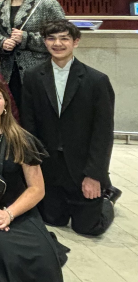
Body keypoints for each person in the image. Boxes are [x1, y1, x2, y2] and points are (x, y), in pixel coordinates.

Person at [0, 78, 66, 281]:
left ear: (5, 104)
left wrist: (8, 214)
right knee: (8, 255)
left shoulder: (21, 139)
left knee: (44, 259)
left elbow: (37, 189)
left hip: (16, 209)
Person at [21, 19, 117, 236]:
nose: (58, 43)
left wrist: (95, 175)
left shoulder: (97, 80)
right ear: (45, 42)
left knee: (88, 228)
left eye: (64, 38)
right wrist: (34, 167)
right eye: (51, 38)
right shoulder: (33, 77)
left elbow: (103, 133)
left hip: (82, 167)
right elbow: (29, 124)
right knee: (53, 221)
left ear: (76, 42)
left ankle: (108, 197)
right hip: (50, 165)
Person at [0, 0, 66, 109]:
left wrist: (26, 38)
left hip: (39, 72)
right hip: (8, 73)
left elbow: (62, 37)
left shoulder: (47, 4)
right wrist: (2, 43)